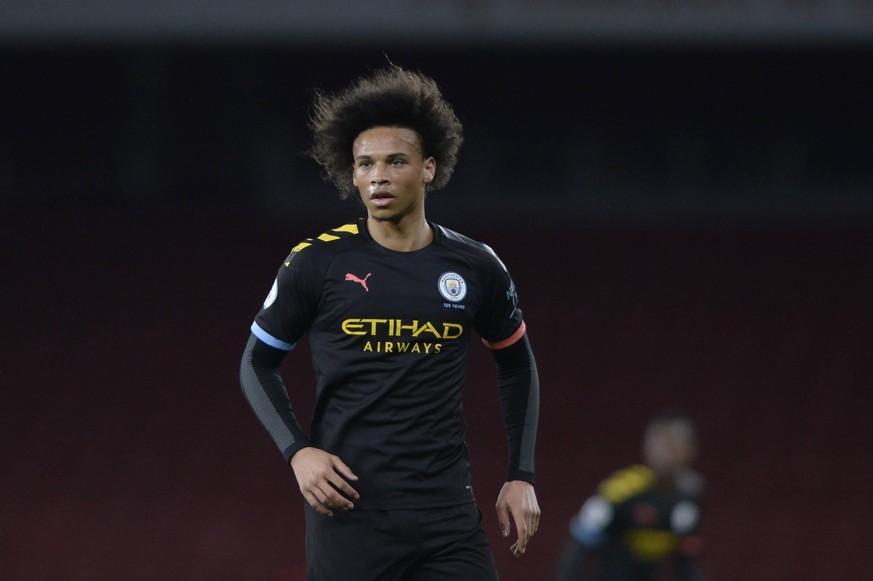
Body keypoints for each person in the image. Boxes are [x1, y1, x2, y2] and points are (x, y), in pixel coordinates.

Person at [239, 65, 541, 580]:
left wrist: (521, 474)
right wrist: (298, 452)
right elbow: (256, 362)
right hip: (351, 515)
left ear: (428, 167)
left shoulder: (475, 266)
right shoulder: (317, 262)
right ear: (351, 173)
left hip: (447, 516)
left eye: (395, 161)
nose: (377, 176)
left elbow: (516, 365)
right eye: (365, 164)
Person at [555, 411, 706, 581]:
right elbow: (578, 545)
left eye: (674, 445)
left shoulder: (691, 495)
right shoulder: (620, 490)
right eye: (661, 444)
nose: (667, 453)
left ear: (690, 450)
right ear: (647, 446)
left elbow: (685, 559)